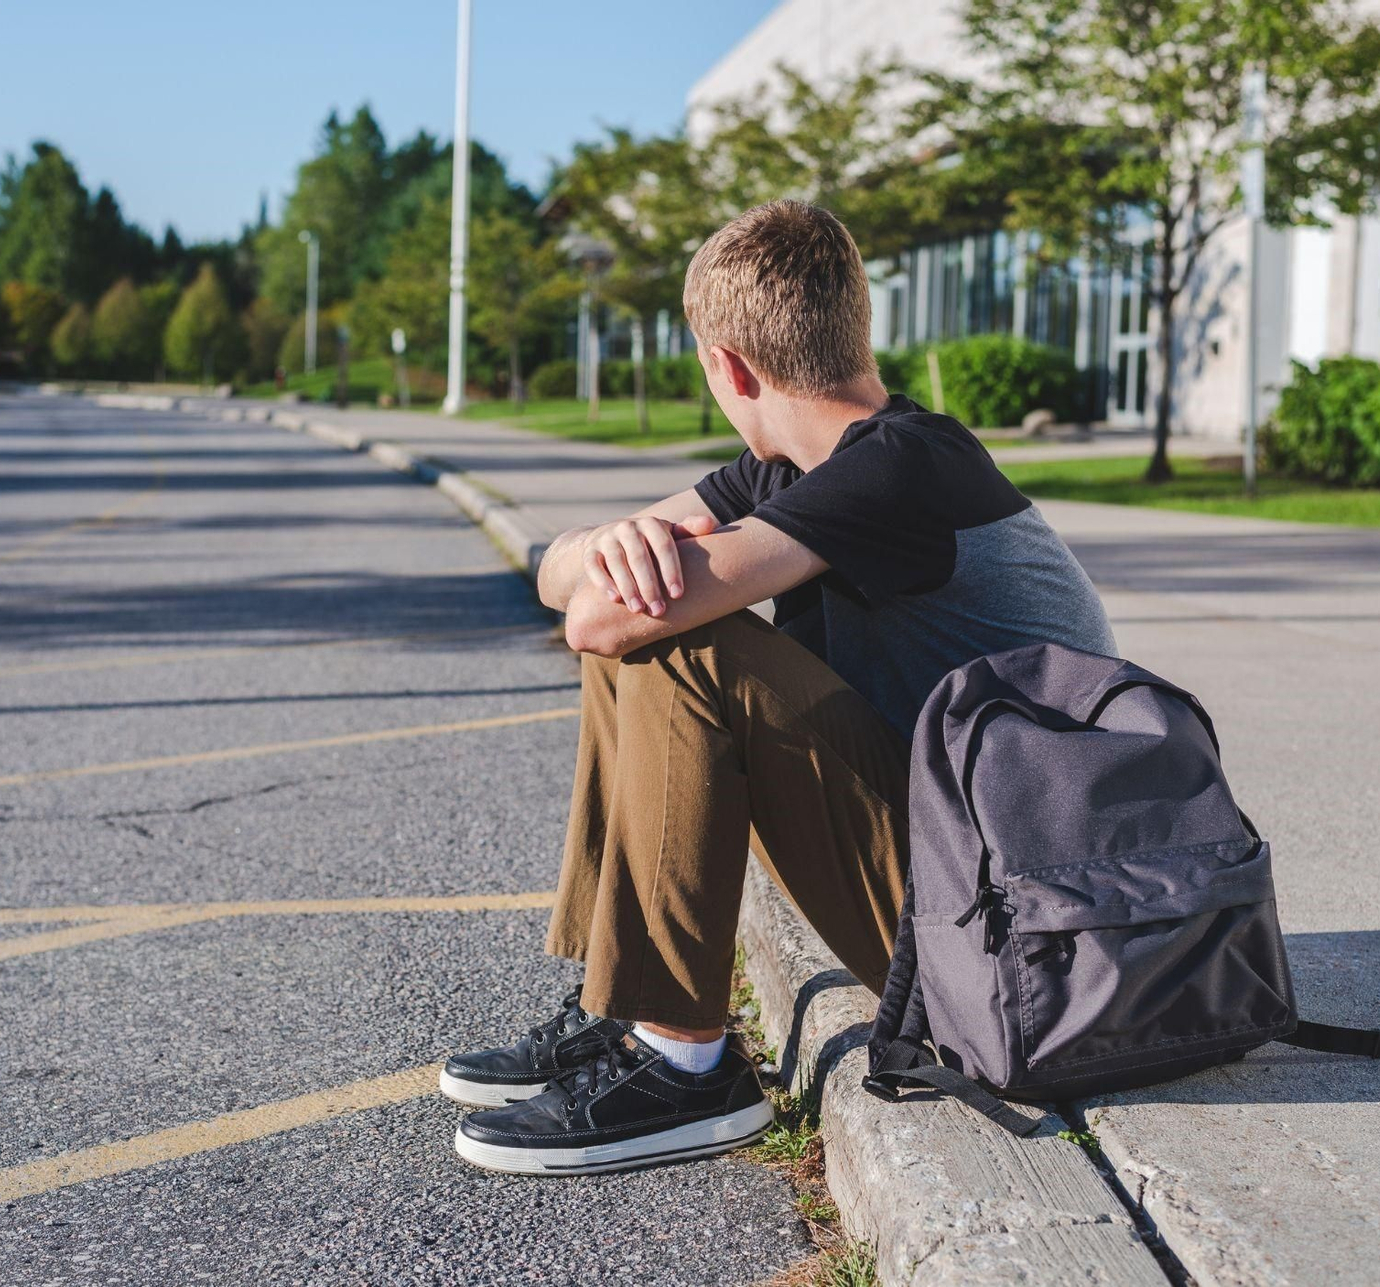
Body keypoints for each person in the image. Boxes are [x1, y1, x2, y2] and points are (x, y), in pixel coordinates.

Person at [440, 200, 1116, 1176]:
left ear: (728, 367)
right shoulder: (801, 468)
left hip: (1025, 945)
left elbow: (595, 617)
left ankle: (683, 1063)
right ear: (856, 327)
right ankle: (620, 1006)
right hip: (984, 899)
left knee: (679, 643)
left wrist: (613, 571)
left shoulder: (896, 471)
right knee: (650, 611)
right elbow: (561, 575)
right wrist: (603, 543)